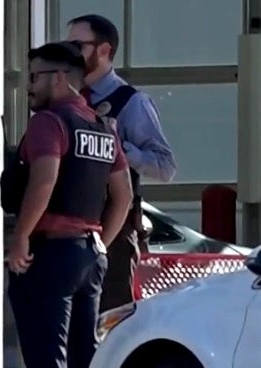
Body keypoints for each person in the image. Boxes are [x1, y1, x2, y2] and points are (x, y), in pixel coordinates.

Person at [0, 41, 133, 368]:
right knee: (82, 356)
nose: (29, 87)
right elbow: (123, 194)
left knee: (46, 355)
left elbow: (45, 180)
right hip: (88, 255)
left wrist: (21, 237)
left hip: (51, 252)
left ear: (59, 78)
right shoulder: (101, 127)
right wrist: (101, 243)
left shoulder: (49, 123)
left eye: (36, 77)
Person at [67, 14, 177, 313]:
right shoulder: (66, 98)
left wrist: (118, 149)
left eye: (78, 45)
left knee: (110, 319)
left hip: (113, 229)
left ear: (103, 50)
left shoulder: (131, 102)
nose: (71, 53)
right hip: (68, 227)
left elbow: (165, 167)